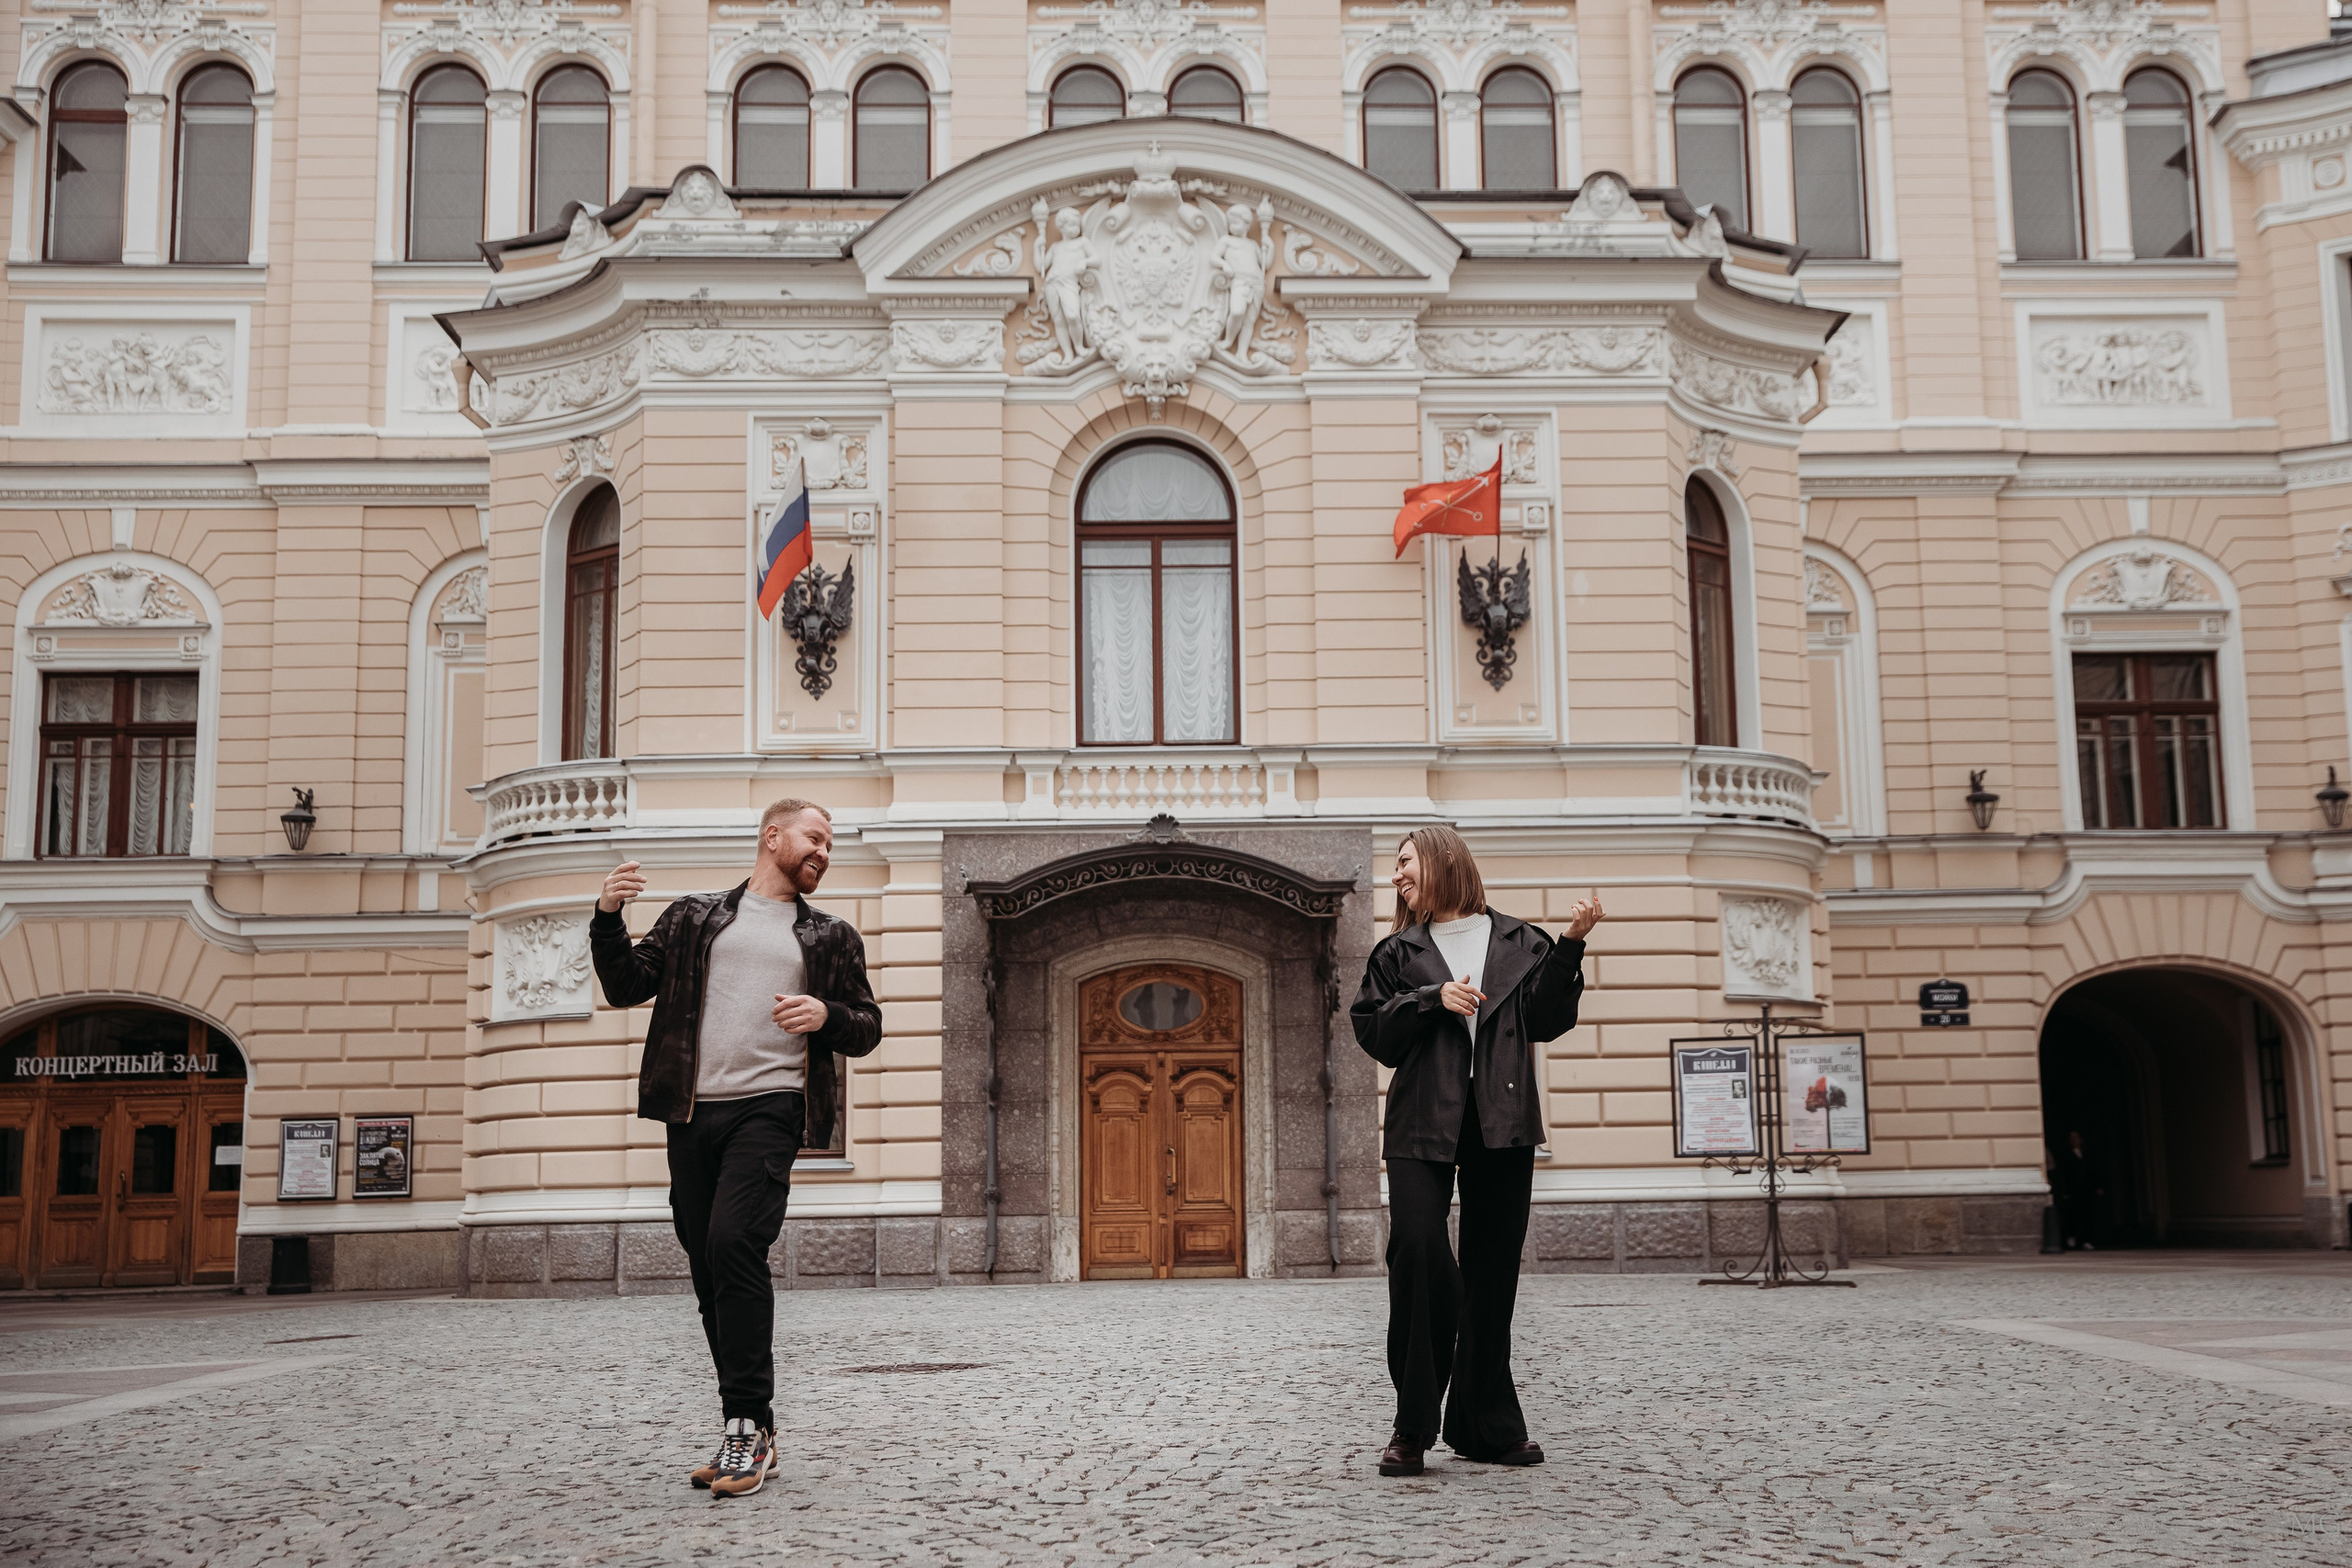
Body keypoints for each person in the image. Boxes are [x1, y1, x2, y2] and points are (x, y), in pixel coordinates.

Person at [590, 798, 880, 1499]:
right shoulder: (694, 916)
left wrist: (826, 1014)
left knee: (733, 1241)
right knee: (707, 1260)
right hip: (690, 1112)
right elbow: (627, 984)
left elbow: (866, 1025)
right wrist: (605, 916)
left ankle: (746, 1422)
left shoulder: (831, 936)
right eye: (815, 837)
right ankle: (751, 1428)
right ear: (772, 836)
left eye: (830, 843)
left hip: (771, 1109)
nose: (824, 851)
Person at [1351, 825, 1603, 1478]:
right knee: (1418, 1249)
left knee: (1493, 1271)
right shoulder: (1396, 952)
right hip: (1419, 1123)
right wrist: (1433, 999)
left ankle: (1486, 1422)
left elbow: (1547, 1020)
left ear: (1439, 861)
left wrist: (1571, 946)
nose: (1398, 875)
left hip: (1502, 1118)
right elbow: (1374, 1032)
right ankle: (1412, 1424)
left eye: (1404, 863)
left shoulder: (1523, 941)